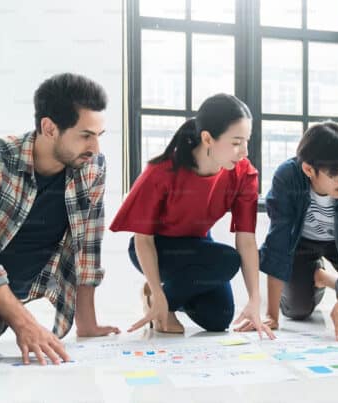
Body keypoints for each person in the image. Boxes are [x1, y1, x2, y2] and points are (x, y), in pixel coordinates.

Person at [110, 93, 273, 339]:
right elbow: (143, 239)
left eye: (247, 141)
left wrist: (254, 300)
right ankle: (158, 298)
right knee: (227, 260)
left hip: (197, 245)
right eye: (237, 142)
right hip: (157, 248)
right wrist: (158, 286)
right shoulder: (161, 172)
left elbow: (247, 239)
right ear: (207, 138)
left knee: (219, 318)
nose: (244, 152)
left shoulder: (243, 174)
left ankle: (167, 296)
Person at [0, 73, 119, 365]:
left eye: (98, 136)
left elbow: (87, 248)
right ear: (49, 128)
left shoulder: (91, 167)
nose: (95, 148)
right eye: (85, 135)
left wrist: (88, 323)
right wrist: (25, 323)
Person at [239, 122, 338, 341]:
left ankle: (324, 278)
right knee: (296, 310)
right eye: (337, 174)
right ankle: (314, 274)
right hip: (301, 244)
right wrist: (272, 314)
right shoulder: (287, 177)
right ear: (309, 169)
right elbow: (279, 242)